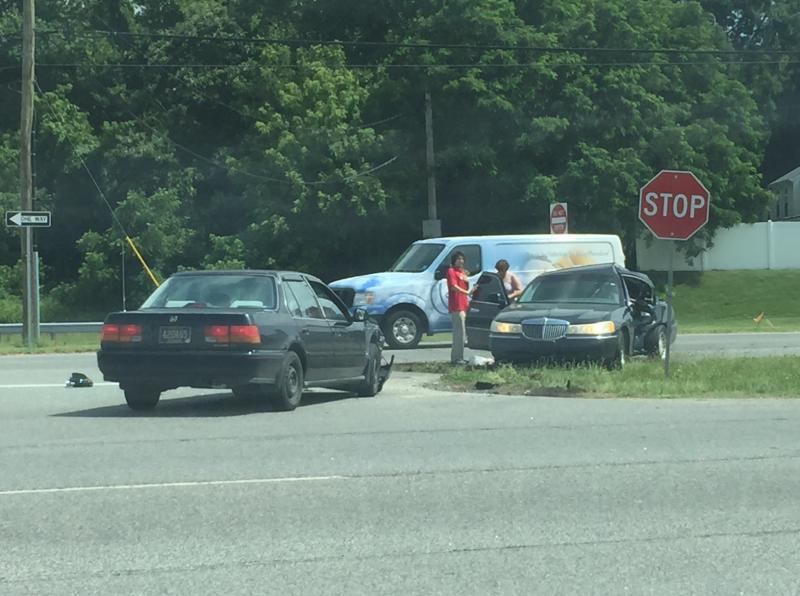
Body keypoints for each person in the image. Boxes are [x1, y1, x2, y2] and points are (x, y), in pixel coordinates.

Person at [447, 251, 473, 364]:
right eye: (458, 259)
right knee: (459, 333)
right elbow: (453, 287)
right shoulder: (451, 271)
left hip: (464, 305)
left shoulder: (463, 272)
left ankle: (460, 357)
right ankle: (456, 358)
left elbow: (466, 284)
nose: (461, 261)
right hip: (456, 306)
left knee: (463, 333)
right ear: (454, 260)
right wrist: (466, 292)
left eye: (462, 259)